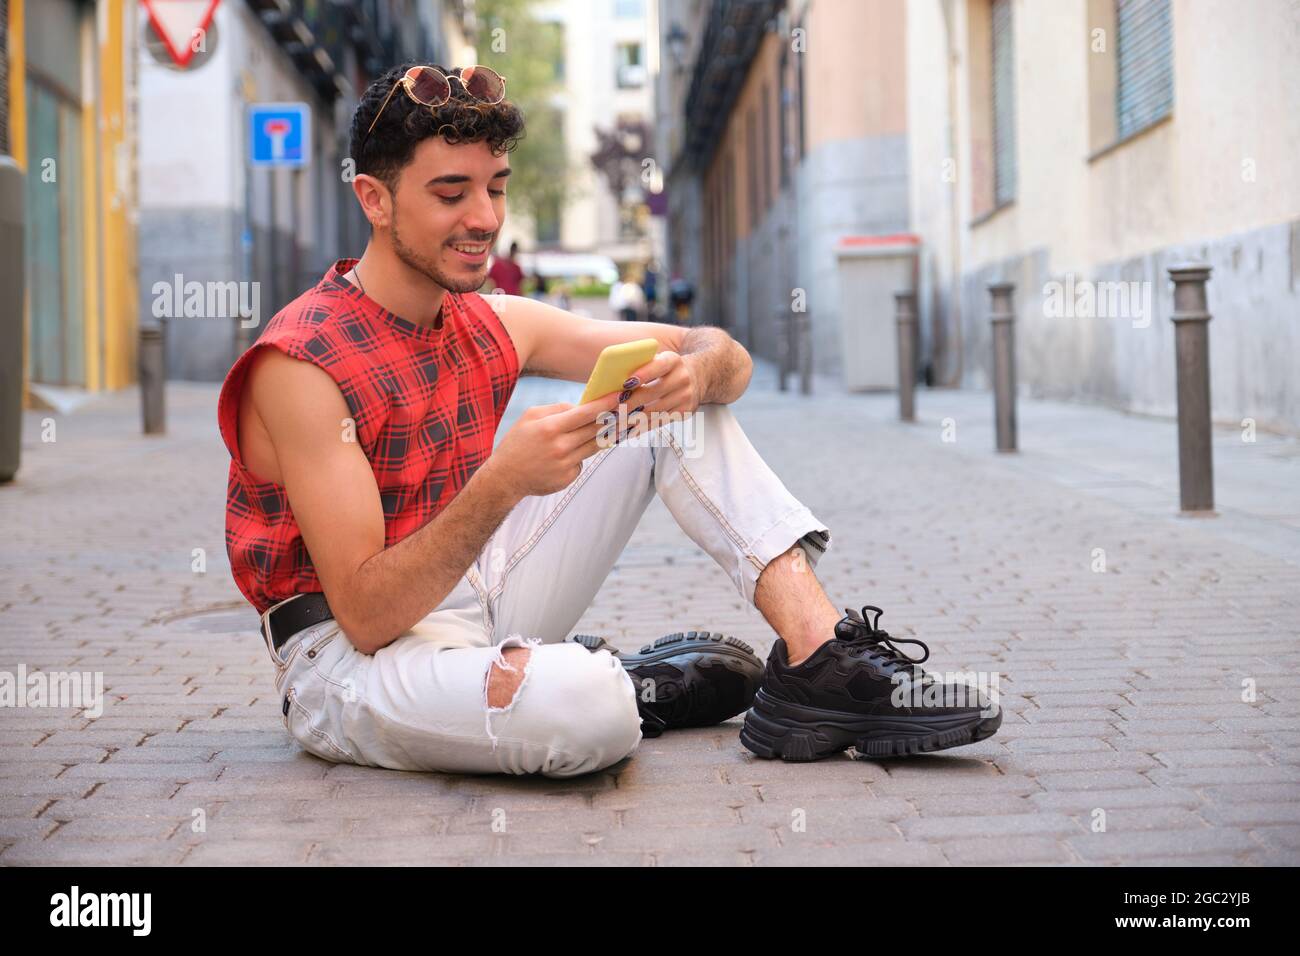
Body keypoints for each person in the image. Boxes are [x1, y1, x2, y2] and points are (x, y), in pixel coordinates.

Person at [218, 62, 1000, 778]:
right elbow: (365, 613)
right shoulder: (303, 363)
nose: (484, 217)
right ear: (375, 199)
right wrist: (502, 485)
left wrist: (693, 372)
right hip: (348, 661)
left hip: (469, 597)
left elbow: (723, 355)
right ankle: (617, 683)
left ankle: (819, 658)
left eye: (496, 186)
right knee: (586, 715)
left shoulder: (489, 319)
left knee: (671, 406)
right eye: (451, 193)